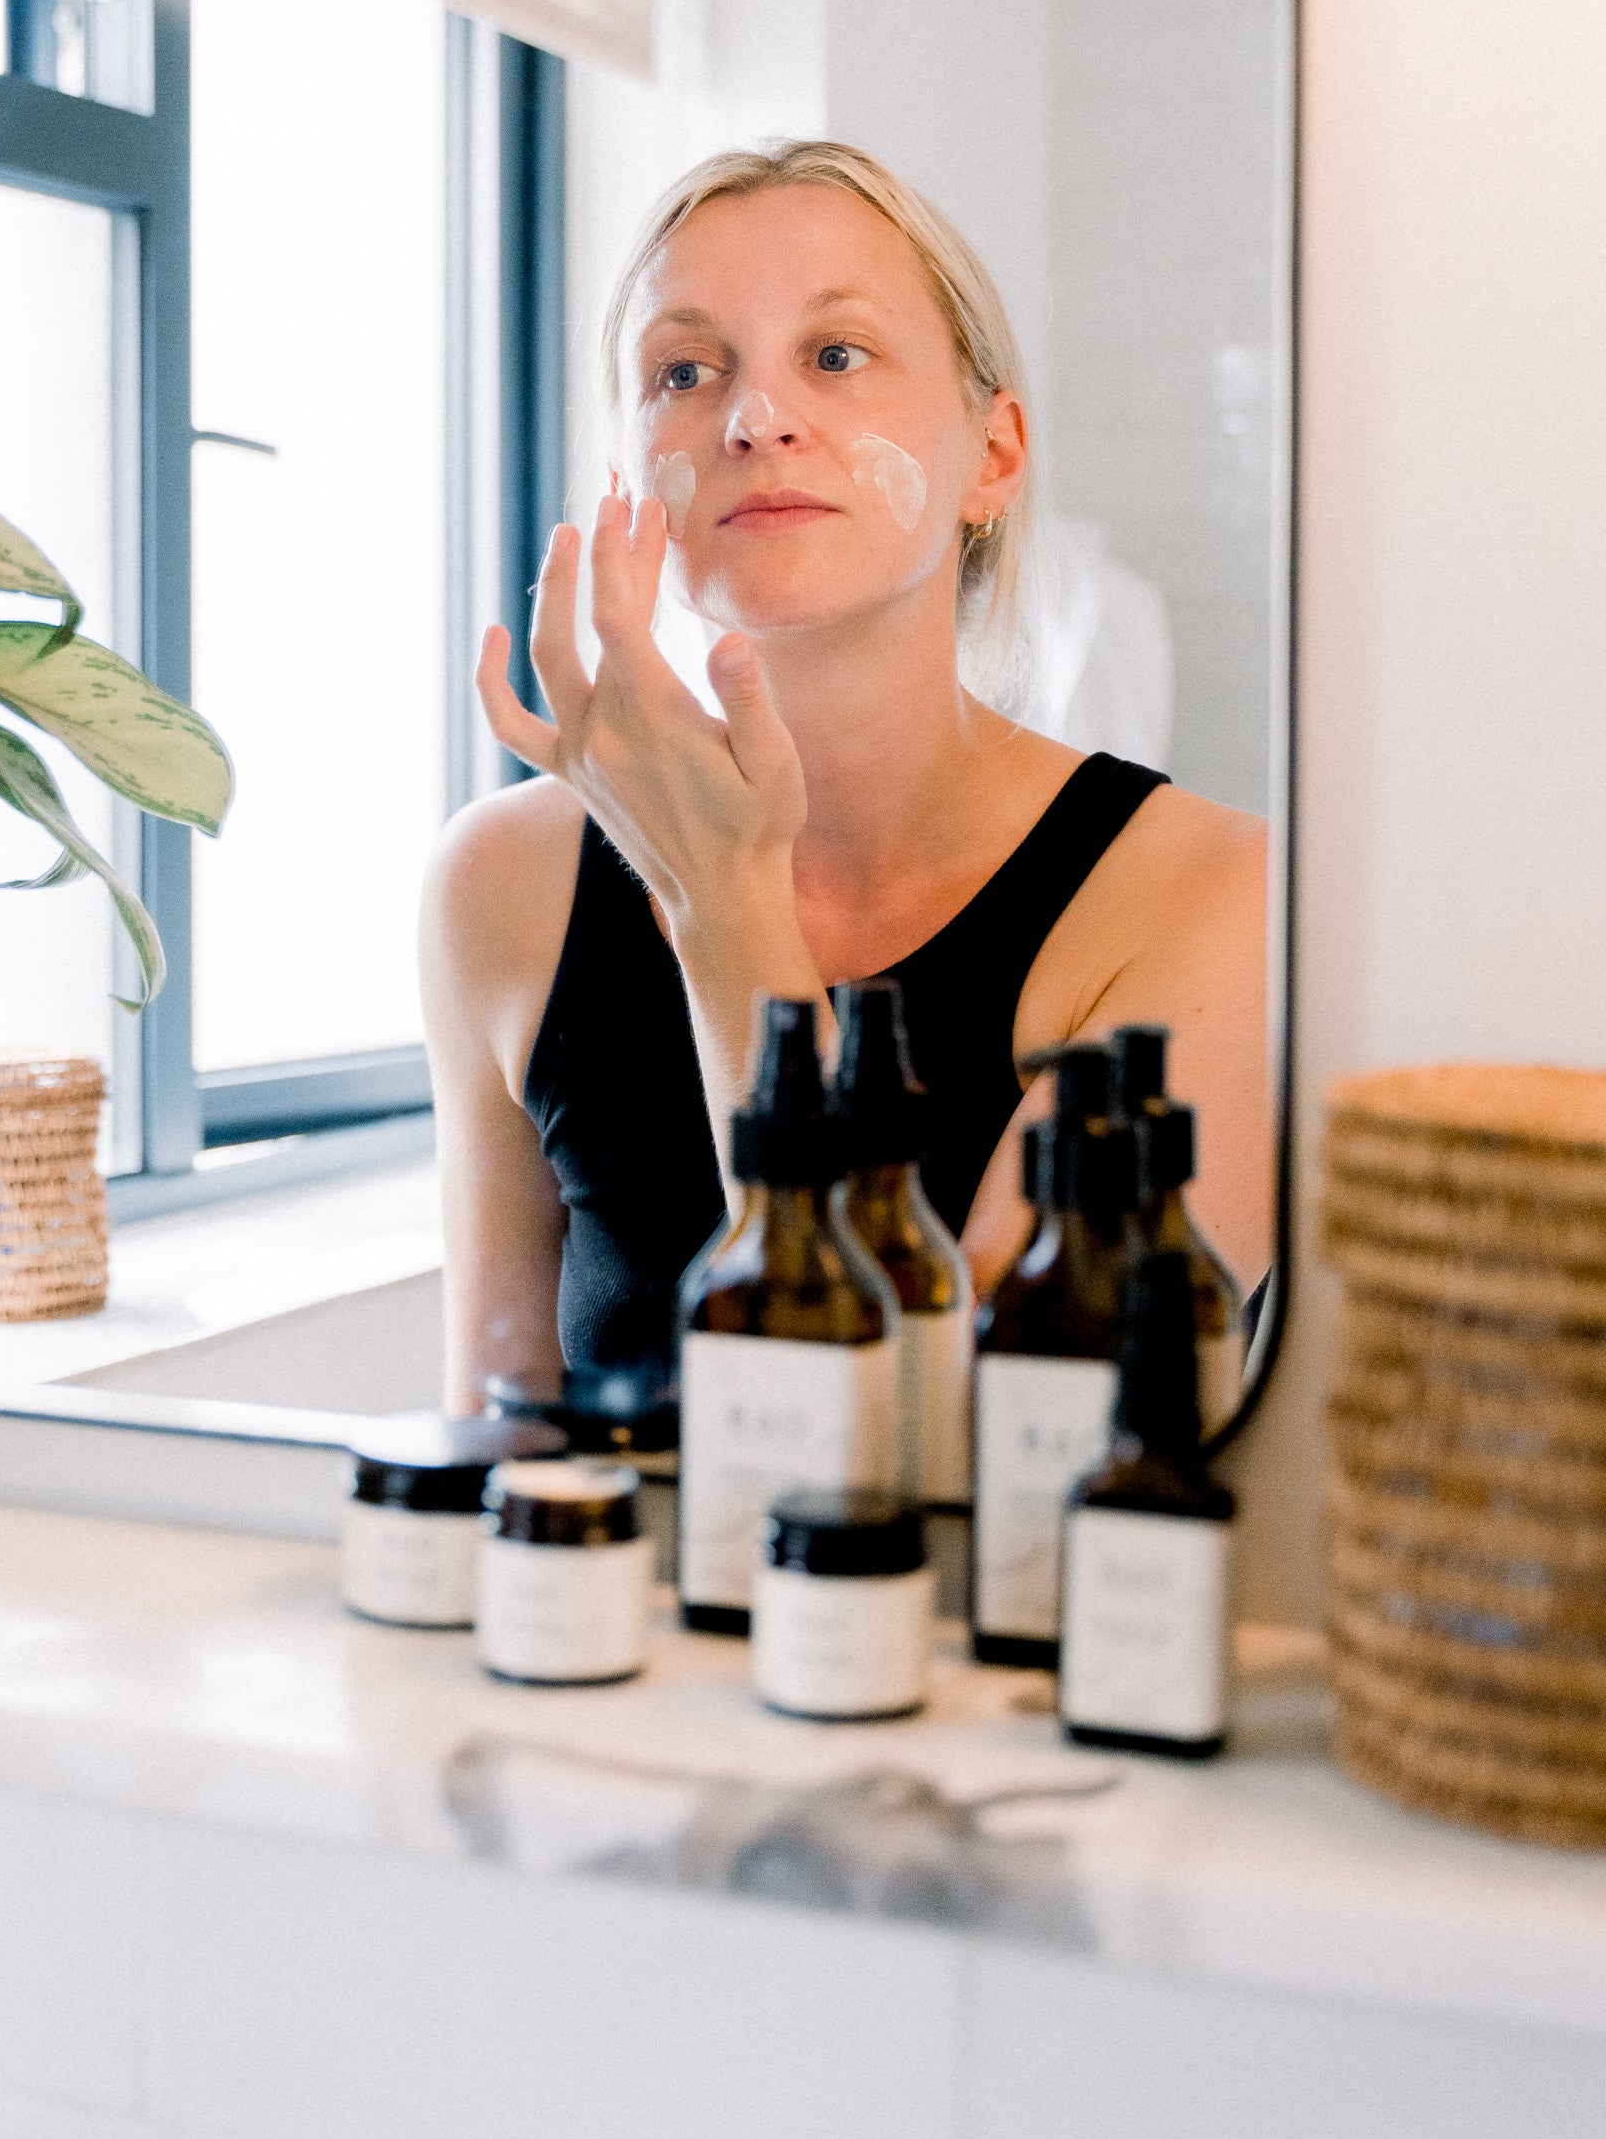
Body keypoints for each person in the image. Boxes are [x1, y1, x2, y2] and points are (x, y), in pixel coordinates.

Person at [419, 141, 1268, 1408]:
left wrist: (726, 910)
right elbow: (496, 1432)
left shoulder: (1209, 897)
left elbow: (950, 1462)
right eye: (684, 371)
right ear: (628, 476)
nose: (754, 418)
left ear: (992, 455)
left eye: (834, 356)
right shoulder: (499, 883)